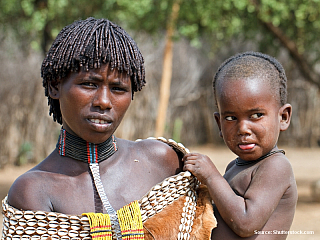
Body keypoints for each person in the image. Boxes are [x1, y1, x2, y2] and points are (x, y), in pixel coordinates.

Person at [2, 17, 215, 240]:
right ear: (55, 86)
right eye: (89, 84)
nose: (103, 101)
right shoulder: (34, 191)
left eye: (118, 88)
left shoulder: (163, 161)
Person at [183, 52, 298, 239]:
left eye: (256, 115)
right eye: (231, 118)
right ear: (219, 124)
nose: (243, 128)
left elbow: (245, 223)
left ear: (283, 117)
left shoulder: (276, 166)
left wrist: (211, 177)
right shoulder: (234, 167)